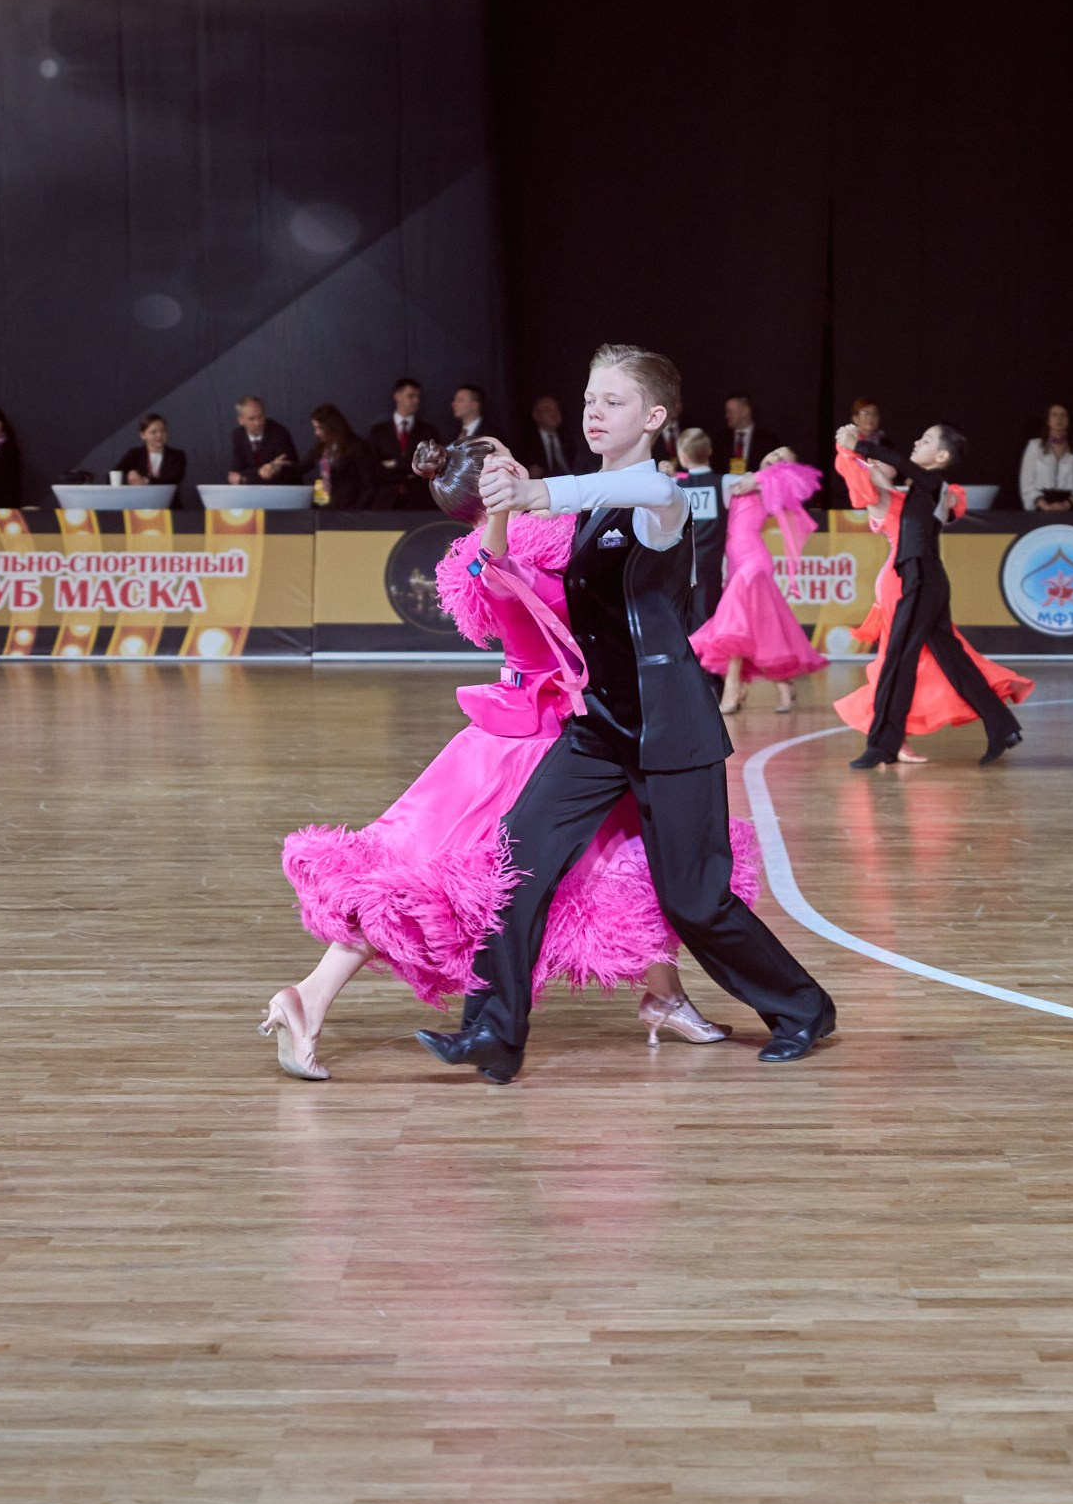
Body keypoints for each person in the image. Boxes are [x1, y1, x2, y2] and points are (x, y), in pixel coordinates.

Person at [418, 344, 838, 1083]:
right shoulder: (596, 502)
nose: (593, 412)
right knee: (514, 854)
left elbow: (644, 487)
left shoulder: (659, 498)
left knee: (694, 902)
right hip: (601, 727)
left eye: (612, 401)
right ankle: (491, 1032)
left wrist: (534, 491)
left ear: (654, 417)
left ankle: (804, 1009)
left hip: (671, 729)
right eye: (589, 399)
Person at [267, 443, 751, 1081]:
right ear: (495, 480)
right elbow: (500, 570)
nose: (519, 461)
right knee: (440, 879)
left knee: (630, 861)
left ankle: (666, 996)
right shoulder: (512, 543)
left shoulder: (523, 535)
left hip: (556, 726)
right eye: (504, 458)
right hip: (540, 740)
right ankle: (311, 996)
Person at [838, 421, 1027, 768]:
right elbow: (881, 481)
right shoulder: (921, 489)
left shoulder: (934, 483)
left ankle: (882, 745)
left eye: (925, 440)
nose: (916, 442)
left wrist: (861, 446)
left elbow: (901, 465)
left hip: (920, 577)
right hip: (925, 577)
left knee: (898, 661)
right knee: (953, 661)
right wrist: (854, 451)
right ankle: (1003, 728)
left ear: (940, 457)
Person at [692, 446, 829, 715]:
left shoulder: (773, 484)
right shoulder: (743, 480)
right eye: (775, 453)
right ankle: (783, 686)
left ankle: (733, 688)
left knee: (733, 626)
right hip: (734, 562)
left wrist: (760, 477)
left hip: (753, 561)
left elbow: (789, 480)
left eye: (783, 459)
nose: (776, 459)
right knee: (759, 626)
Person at [668, 427, 731, 637]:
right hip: (711, 564)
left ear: (683, 456)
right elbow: (760, 480)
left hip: (681, 563)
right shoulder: (724, 483)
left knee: (682, 616)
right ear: (709, 451)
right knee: (708, 617)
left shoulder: (675, 485)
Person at [369, 377, 439, 509]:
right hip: (385, 502)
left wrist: (394, 464)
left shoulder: (428, 431)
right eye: (411, 396)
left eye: (418, 397)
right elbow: (373, 468)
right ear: (397, 396)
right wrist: (408, 468)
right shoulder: (379, 431)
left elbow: (431, 465)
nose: (416, 401)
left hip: (420, 501)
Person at [1019, 403, 1073, 512]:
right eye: (1054, 415)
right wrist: (1045, 506)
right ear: (1048, 420)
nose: (1059, 419)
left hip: (1069, 510)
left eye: (1063, 415)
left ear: (1069, 420)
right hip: (1040, 510)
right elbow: (1026, 483)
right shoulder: (1034, 446)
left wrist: (1066, 504)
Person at [306, 404, 376, 509]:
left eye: (320, 428)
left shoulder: (356, 447)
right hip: (321, 507)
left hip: (345, 509)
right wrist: (280, 467)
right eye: (315, 428)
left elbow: (369, 484)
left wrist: (357, 510)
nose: (316, 433)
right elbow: (301, 467)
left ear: (332, 426)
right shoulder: (320, 448)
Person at [113, 413, 189, 505]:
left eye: (163, 431)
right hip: (138, 506)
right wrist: (128, 478)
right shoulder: (134, 454)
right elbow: (112, 477)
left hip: (169, 507)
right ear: (143, 435)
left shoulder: (177, 456)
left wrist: (146, 481)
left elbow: (173, 480)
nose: (159, 435)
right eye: (153, 432)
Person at [227, 396, 300, 485]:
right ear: (240, 420)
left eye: (260, 416)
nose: (258, 423)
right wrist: (263, 470)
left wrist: (245, 479)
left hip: (283, 488)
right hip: (253, 490)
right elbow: (236, 473)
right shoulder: (237, 436)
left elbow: (289, 469)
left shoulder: (279, 432)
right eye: (251, 419)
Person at [523, 393, 588, 479]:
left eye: (557, 409)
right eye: (548, 410)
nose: (554, 413)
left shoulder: (571, 439)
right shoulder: (525, 443)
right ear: (536, 415)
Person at [719, 393, 781, 474]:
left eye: (730, 412)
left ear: (745, 411)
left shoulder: (767, 440)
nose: (726, 416)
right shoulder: (721, 440)